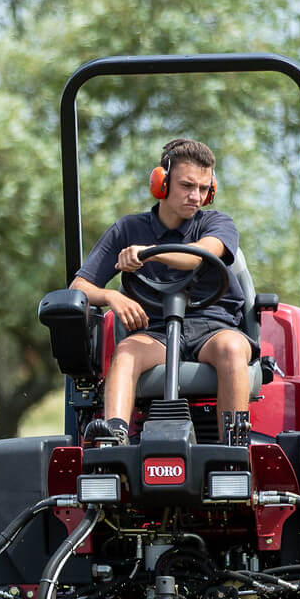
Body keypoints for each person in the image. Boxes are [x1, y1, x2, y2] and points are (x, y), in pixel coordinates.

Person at [69, 137, 255, 446]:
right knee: (127, 352)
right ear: (162, 183)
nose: (196, 196)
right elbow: (79, 288)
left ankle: (233, 448)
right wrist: (113, 297)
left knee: (233, 349)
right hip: (155, 333)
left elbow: (196, 256)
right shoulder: (127, 229)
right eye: (187, 186)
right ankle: (114, 436)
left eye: (204, 189)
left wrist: (147, 253)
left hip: (213, 329)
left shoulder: (218, 223)